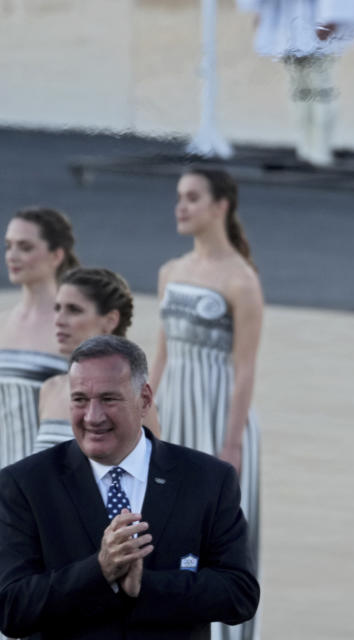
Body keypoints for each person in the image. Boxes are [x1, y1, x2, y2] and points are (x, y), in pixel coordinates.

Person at [0, 335, 259, 638]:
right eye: (80, 399)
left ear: (145, 399)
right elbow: (11, 608)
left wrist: (145, 587)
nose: (93, 417)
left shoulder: (208, 479)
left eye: (109, 399)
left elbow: (240, 594)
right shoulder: (26, 485)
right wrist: (99, 571)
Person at [151, 168, 262, 640]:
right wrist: (143, 413)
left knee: (219, 534)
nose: (181, 206)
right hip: (173, 408)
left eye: (192, 197)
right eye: (179, 197)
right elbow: (159, 355)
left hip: (219, 415)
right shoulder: (170, 272)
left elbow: (245, 369)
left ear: (221, 206)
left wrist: (231, 445)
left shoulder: (242, 280)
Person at [36, 267, 159, 452]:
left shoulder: (134, 395)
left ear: (110, 320)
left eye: (73, 310)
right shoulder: (50, 390)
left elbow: (153, 467)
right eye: (57, 308)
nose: (59, 320)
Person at [236, 0, 354, 166]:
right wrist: (263, 13)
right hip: (289, 27)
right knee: (299, 90)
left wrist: (330, 20)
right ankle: (305, 149)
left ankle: (320, 151)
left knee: (320, 90)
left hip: (317, 23)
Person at [0, 207, 78, 467]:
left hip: (48, 482)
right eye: (9, 245)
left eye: (25, 247)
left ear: (56, 255)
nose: (12, 255)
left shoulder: (75, 325)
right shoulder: (3, 321)